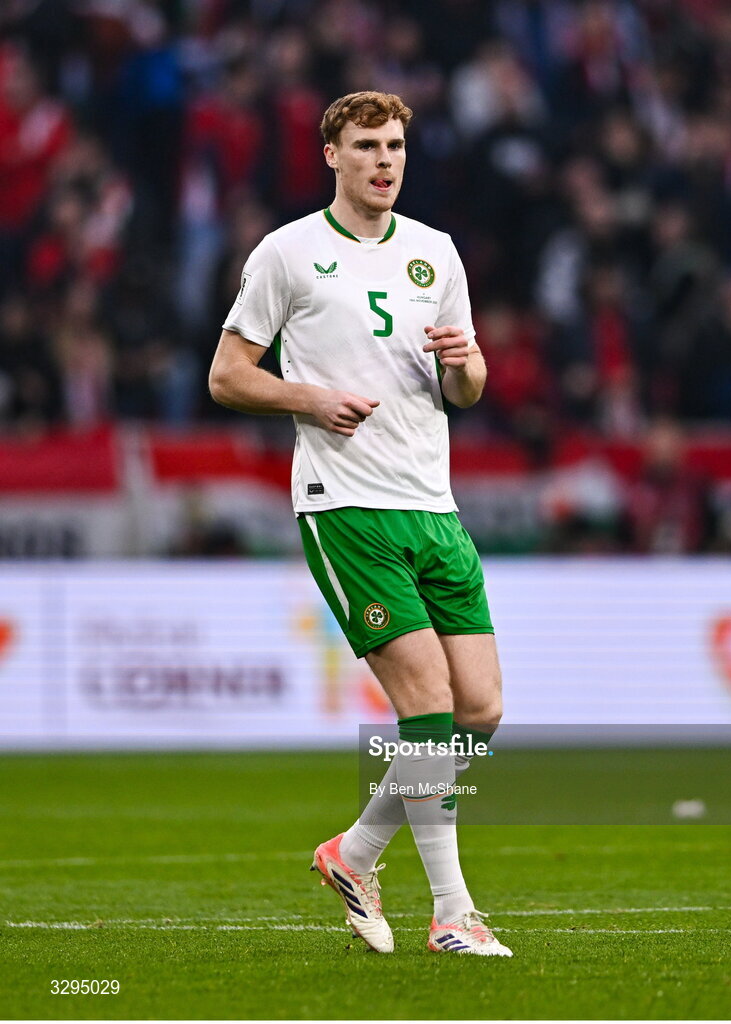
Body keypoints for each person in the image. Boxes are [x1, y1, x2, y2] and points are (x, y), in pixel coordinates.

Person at [208, 91, 511, 957]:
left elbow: (465, 388)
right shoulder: (288, 254)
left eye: (396, 147)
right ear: (331, 155)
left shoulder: (434, 253)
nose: (386, 160)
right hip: (346, 506)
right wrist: (309, 397)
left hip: (434, 503)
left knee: (479, 712)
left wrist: (469, 366)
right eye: (368, 146)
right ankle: (452, 913)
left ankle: (355, 851)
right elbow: (228, 377)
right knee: (425, 703)